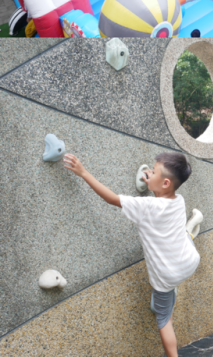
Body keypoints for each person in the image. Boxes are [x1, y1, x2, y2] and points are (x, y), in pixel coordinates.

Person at [63, 151, 201, 357]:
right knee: (182, 237)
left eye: (153, 172)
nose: (149, 173)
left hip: (168, 274)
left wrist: (84, 173)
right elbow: (159, 205)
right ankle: (191, 227)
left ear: (164, 183)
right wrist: (154, 184)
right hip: (189, 260)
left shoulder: (145, 207)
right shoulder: (178, 199)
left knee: (164, 319)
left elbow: (112, 199)